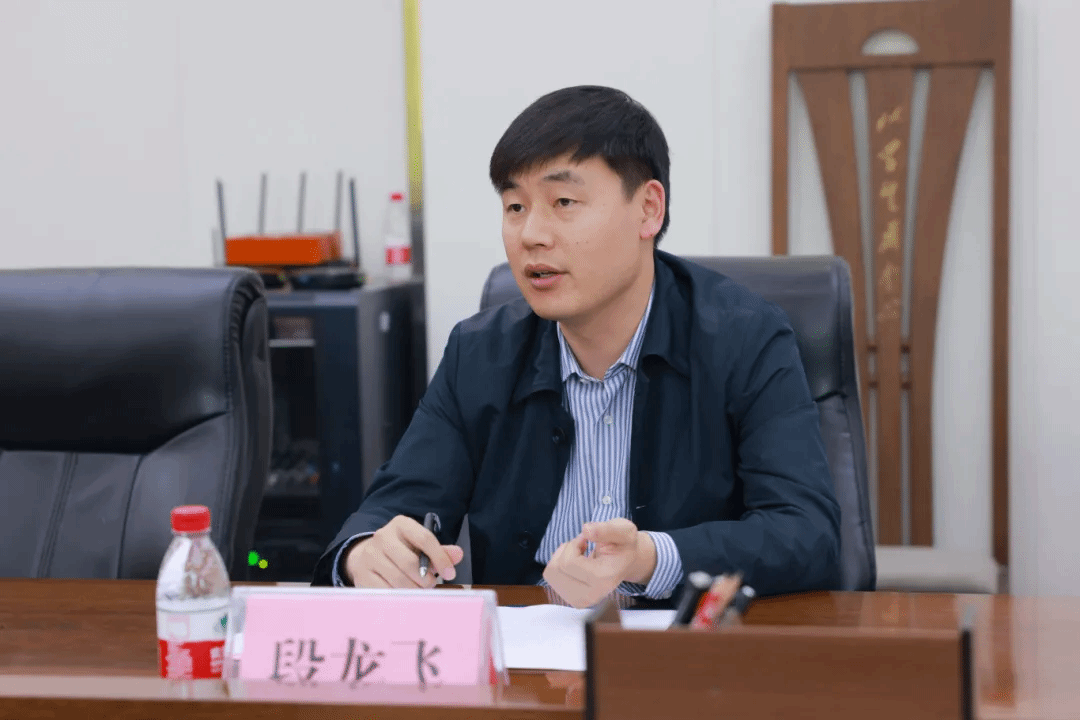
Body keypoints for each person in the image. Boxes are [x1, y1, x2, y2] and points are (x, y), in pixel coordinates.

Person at [311, 85, 841, 607]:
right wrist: (364, 553)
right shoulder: (479, 355)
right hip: (524, 655)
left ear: (648, 209)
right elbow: (395, 509)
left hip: (684, 649)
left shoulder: (745, 339)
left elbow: (807, 533)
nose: (531, 234)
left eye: (563, 202)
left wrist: (646, 558)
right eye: (515, 206)